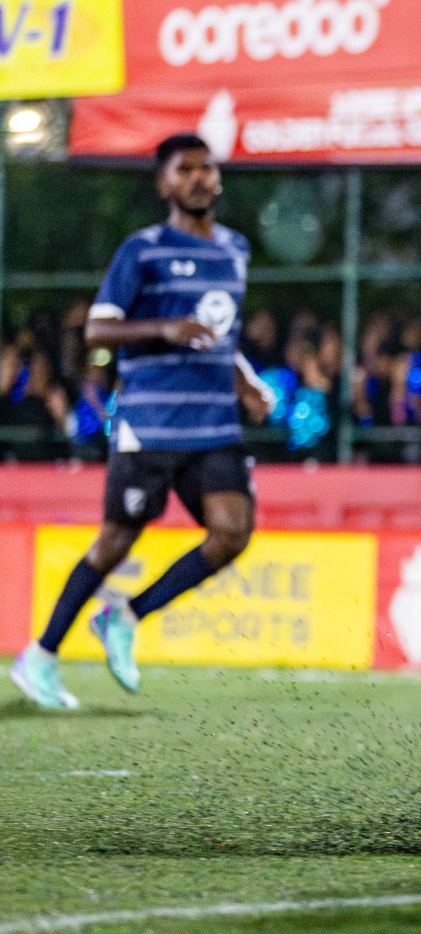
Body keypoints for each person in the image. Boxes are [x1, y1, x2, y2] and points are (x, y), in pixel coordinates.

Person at [10, 133, 273, 709]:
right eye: (186, 169)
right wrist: (163, 328)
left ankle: (125, 616)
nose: (200, 177)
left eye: (208, 168)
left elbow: (220, 333)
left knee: (232, 532)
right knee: (113, 544)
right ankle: (41, 656)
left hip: (213, 425)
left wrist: (247, 380)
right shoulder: (142, 250)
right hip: (150, 424)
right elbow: (99, 329)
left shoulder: (235, 249)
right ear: (164, 184)